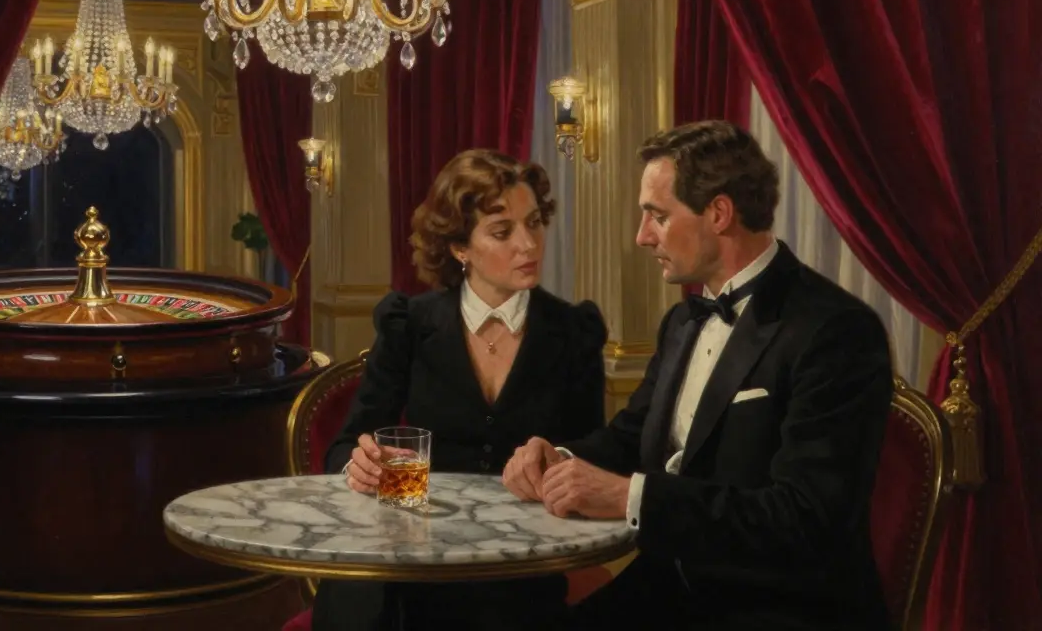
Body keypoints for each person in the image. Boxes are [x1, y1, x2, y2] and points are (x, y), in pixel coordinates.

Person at [502, 120, 894, 630]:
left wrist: (628, 497)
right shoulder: (683, 321)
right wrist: (557, 459)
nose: (642, 237)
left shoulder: (835, 330)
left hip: (781, 606)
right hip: (672, 589)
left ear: (719, 213)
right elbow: (630, 436)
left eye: (657, 216)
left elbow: (803, 517)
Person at [311, 149, 609, 631]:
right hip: (414, 554)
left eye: (534, 223)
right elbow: (347, 444)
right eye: (502, 231)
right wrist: (359, 465)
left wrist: (558, 464)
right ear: (459, 249)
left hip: (519, 561)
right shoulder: (409, 324)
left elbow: (595, 452)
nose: (528, 244)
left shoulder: (573, 331)